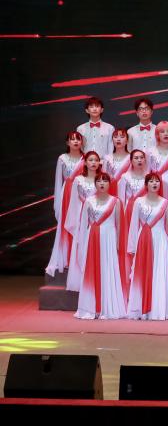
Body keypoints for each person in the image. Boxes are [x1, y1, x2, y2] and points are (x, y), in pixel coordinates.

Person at [126, 173, 168, 320]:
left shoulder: (166, 203)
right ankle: (141, 309)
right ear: (146, 185)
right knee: (143, 273)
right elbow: (133, 225)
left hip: (161, 241)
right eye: (151, 181)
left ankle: (159, 309)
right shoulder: (138, 202)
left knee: (159, 273)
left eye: (157, 181)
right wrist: (132, 247)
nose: (155, 184)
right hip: (143, 241)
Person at [73, 173, 127, 320]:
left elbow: (119, 225)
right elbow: (83, 225)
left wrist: (117, 244)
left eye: (105, 181)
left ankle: (107, 307)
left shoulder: (116, 202)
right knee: (92, 269)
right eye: (99, 181)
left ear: (110, 183)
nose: (102, 183)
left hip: (109, 239)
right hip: (92, 239)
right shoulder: (88, 201)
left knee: (107, 269)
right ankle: (90, 307)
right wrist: (82, 244)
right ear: (95, 184)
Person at [45, 131, 85, 276]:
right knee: (66, 225)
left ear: (82, 142)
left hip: (81, 194)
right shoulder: (62, 158)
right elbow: (58, 181)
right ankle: (65, 258)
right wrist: (57, 203)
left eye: (78, 139)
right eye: (72, 140)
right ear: (67, 143)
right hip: (67, 194)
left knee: (79, 224)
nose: (75, 142)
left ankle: (78, 259)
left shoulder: (86, 158)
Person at [65, 151, 102, 292]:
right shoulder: (78, 180)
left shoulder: (102, 179)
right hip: (81, 216)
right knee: (81, 245)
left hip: (97, 217)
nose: (93, 163)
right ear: (85, 162)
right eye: (90, 160)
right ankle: (80, 280)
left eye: (96, 160)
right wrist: (75, 221)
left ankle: (95, 279)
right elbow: (73, 202)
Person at [103, 128, 132, 197]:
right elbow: (103, 178)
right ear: (112, 140)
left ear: (127, 141)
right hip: (111, 191)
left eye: (122, 137)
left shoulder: (131, 158)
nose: (118, 139)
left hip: (127, 192)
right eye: (115, 137)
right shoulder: (107, 158)